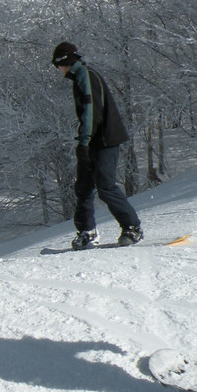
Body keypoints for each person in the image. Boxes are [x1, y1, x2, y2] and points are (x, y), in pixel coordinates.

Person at [51, 42, 142, 250]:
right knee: (83, 187)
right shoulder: (81, 75)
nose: (57, 70)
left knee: (105, 186)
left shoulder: (84, 75)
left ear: (64, 62)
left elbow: (90, 112)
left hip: (104, 140)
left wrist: (84, 142)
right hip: (94, 140)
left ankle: (132, 227)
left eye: (57, 65)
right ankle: (87, 232)